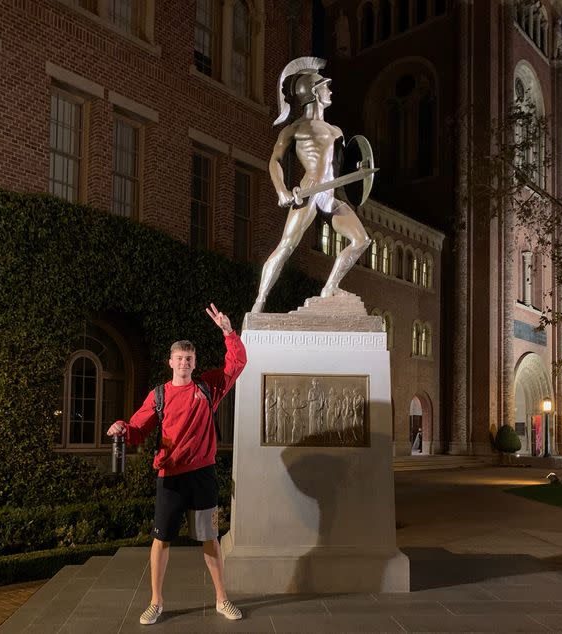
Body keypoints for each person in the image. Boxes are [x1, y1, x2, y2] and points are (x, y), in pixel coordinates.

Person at [107, 303, 247, 625]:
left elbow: (236, 363)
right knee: (161, 540)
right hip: (169, 477)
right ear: (170, 362)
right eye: (179, 359)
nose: (184, 363)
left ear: (195, 363)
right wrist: (121, 428)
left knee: (210, 539)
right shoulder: (158, 395)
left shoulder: (207, 388)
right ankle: (155, 602)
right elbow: (138, 428)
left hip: (202, 475)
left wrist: (228, 331)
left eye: (189, 359)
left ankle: (222, 600)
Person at [251, 57, 370, 313]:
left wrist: (361, 172)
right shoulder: (295, 129)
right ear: (315, 92)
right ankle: (259, 303)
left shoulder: (336, 131)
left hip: (331, 194)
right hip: (309, 192)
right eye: (326, 87)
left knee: (361, 239)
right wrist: (282, 190)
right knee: (287, 245)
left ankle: (331, 287)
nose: (330, 91)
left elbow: (342, 166)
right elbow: (275, 161)